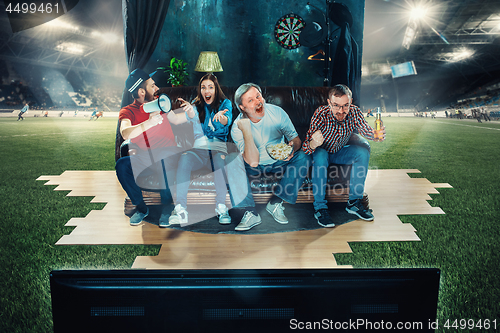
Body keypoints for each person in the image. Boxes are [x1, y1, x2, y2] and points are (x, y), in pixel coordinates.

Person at [115, 68, 194, 226]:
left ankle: (167, 208)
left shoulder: (161, 103)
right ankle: (142, 208)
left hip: (168, 154)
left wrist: (190, 113)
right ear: (142, 92)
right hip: (145, 157)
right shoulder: (128, 111)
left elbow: (177, 120)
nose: (157, 88)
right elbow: (125, 133)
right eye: (153, 85)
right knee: (122, 166)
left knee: (164, 158)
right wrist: (148, 123)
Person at [230, 83, 311, 231]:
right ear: (242, 108)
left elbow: (296, 139)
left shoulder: (277, 113)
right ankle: (250, 212)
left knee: (303, 157)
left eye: (258, 96)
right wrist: (246, 129)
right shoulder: (237, 127)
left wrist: (291, 148)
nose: (258, 101)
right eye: (250, 100)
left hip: (279, 162)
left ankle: (275, 203)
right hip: (253, 166)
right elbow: (252, 161)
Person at [302, 84, 385, 227]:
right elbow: (305, 149)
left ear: (350, 102)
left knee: (362, 152)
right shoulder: (320, 114)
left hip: (339, 152)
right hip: (321, 152)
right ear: (329, 103)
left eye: (345, 105)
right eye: (336, 105)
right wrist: (313, 143)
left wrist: (377, 135)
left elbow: (367, 131)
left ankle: (354, 202)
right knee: (321, 155)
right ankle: (320, 208)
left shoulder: (354, 112)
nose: (341, 111)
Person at [168, 73, 233, 226]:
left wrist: (220, 117)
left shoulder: (225, 104)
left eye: (210, 87)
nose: (206, 91)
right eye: (203, 87)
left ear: (216, 89)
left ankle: (221, 207)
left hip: (217, 150)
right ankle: (180, 208)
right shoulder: (195, 106)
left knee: (220, 161)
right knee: (184, 158)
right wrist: (164, 107)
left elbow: (226, 120)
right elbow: (176, 120)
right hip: (199, 152)